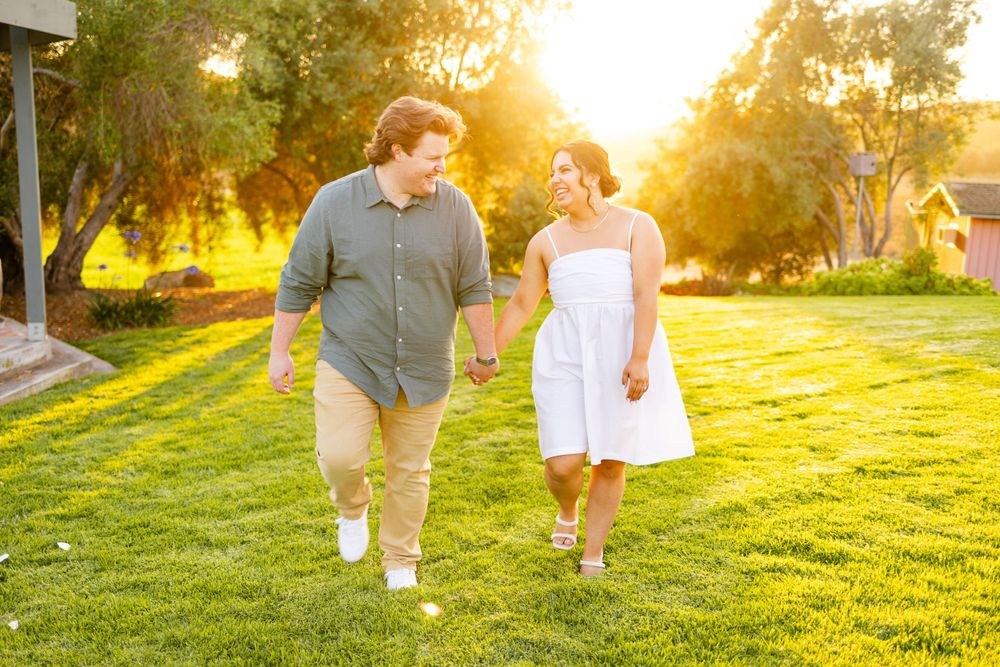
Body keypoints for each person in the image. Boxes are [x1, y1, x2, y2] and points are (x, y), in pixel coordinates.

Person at [269, 96, 499, 591]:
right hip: (351, 357)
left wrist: (486, 354)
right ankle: (351, 507)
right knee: (340, 457)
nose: (442, 167)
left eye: (445, 157)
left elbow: (474, 286)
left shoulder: (455, 207)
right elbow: (299, 281)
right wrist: (278, 350)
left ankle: (400, 561)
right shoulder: (335, 202)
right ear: (396, 150)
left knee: (410, 471)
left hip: (423, 364)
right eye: (432, 156)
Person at [482, 140, 694, 577]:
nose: (554, 179)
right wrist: (488, 354)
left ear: (593, 175)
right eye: (552, 172)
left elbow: (644, 295)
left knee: (610, 457)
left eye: (564, 170)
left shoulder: (638, 225)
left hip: (621, 351)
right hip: (563, 353)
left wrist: (640, 357)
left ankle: (592, 552)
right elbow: (523, 303)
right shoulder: (545, 241)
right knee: (562, 465)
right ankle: (567, 507)